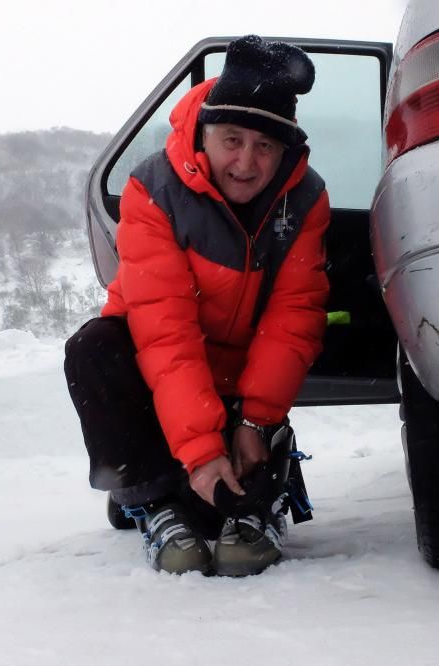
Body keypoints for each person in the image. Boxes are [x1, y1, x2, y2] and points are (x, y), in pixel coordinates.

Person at [65, 35, 329, 576]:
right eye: (232, 139)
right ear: (204, 131)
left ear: (285, 152)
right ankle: (156, 502)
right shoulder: (153, 189)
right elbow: (165, 332)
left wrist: (255, 423)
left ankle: (259, 495)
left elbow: (292, 319)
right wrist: (202, 453)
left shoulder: (305, 199)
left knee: (236, 533)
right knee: (93, 348)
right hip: (162, 372)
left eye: (265, 146)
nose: (246, 162)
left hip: (241, 378)